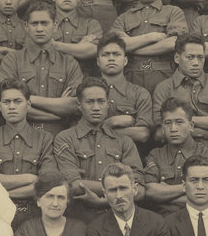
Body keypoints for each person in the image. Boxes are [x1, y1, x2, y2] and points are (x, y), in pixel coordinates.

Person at [54, 78, 145, 223]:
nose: (96, 107)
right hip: (80, 220)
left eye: (101, 101)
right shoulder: (66, 139)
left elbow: (139, 191)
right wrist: (121, 190)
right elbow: (74, 185)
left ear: (108, 104)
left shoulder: (124, 141)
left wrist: (103, 201)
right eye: (90, 102)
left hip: (119, 220)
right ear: (79, 105)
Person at [0, 79, 57, 221]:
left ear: (28, 104)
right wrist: (30, 178)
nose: (11, 106)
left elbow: (45, 184)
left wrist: (0, 186)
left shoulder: (44, 139)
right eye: (6, 102)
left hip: (34, 216)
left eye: (18, 101)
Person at [0, 0, 83, 135]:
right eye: (34, 24)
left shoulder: (69, 63)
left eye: (44, 23)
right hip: (21, 133)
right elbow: (10, 105)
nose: (39, 29)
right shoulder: (12, 60)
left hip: (59, 135)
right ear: (26, 26)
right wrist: (57, 111)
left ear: (54, 26)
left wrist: (28, 99)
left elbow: (74, 106)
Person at [152, 34, 208, 159]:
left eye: (200, 57)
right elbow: (160, 132)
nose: (196, 63)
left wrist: (185, 121)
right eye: (190, 57)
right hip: (176, 157)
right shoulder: (164, 88)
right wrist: (203, 132)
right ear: (177, 58)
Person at [111, 0, 189, 93]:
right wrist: (151, 37)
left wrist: (132, 47)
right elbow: (116, 47)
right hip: (131, 78)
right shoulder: (123, 18)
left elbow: (173, 43)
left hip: (165, 77)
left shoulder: (173, 12)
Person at [143, 98, 208, 215]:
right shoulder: (155, 155)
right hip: (164, 222)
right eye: (168, 123)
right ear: (162, 128)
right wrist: (188, 189)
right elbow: (150, 192)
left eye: (179, 122)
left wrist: (165, 197)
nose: (173, 129)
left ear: (191, 125)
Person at [95, 35, 154, 145]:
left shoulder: (140, 94)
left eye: (116, 54)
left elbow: (142, 134)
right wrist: (110, 122)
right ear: (98, 61)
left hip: (128, 157)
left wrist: (100, 130)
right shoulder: (88, 92)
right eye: (105, 55)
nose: (111, 58)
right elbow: (80, 130)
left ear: (125, 60)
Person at [47, 0, 104, 76]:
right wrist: (78, 48)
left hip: (84, 82)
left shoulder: (91, 24)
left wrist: (54, 45)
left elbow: (92, 50)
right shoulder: (44, 23)